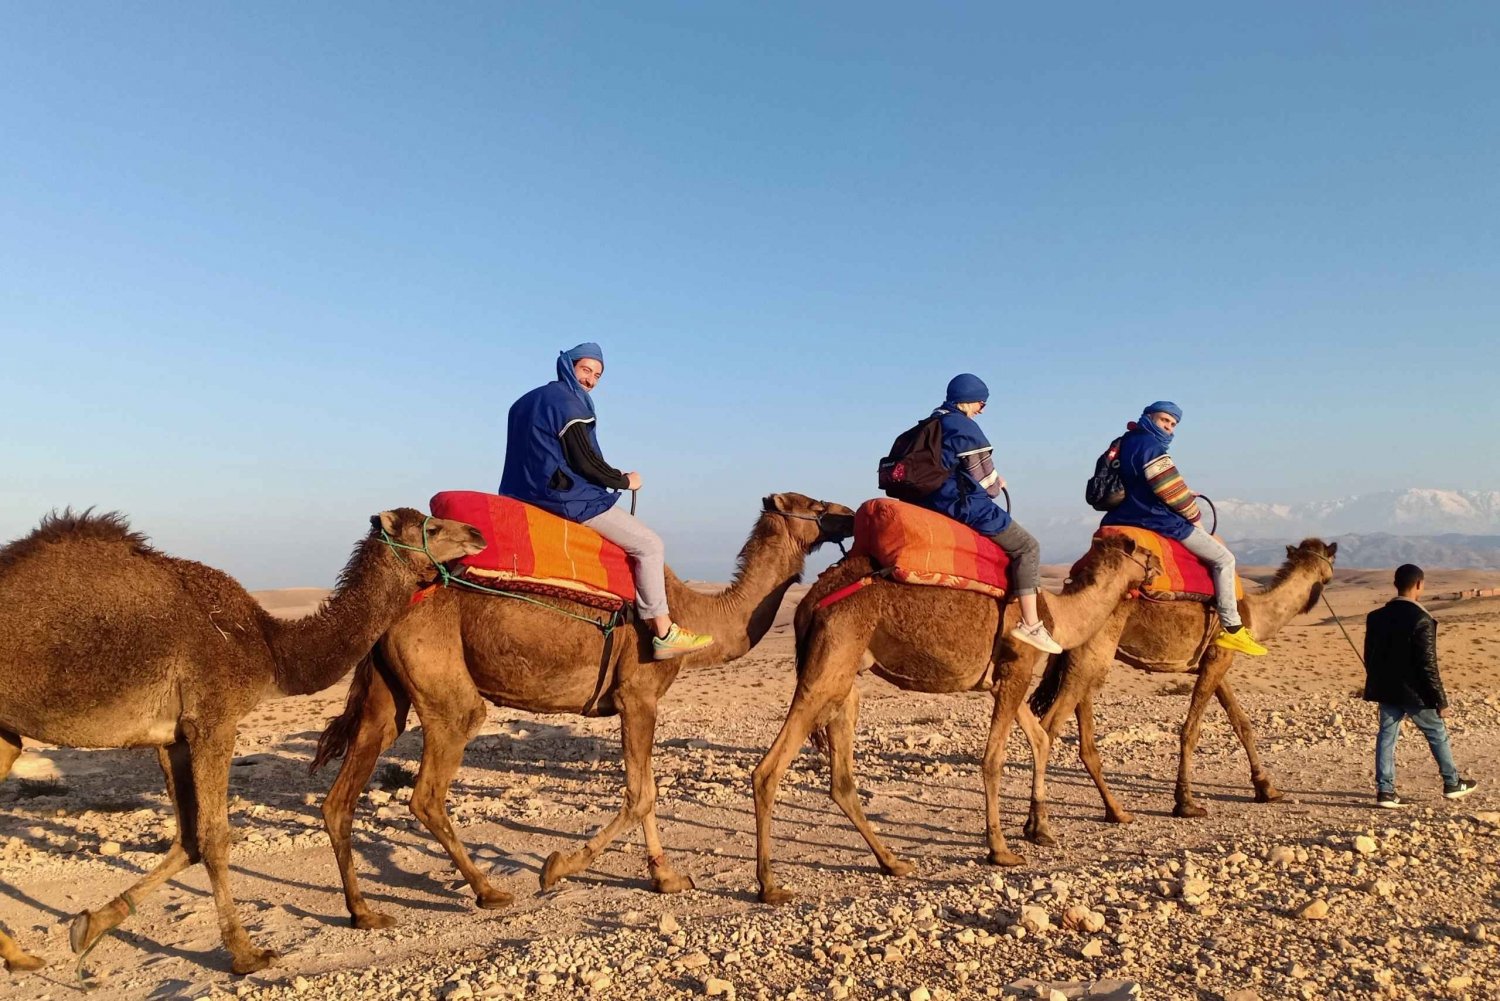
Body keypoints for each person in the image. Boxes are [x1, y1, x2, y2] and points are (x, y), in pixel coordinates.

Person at [499, 343, 713, 660]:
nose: (591, 381)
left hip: (521, 494)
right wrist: (624, 481)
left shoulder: (524, 402)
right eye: (586, 370)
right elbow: (585, 462)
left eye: (597, 375)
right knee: (649, 545)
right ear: (568, 366)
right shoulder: (568, 403)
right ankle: (664, 631)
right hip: (564, 499)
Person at [1100, 401, 1267, 656]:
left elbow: (1142, 482)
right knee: (1224, 558)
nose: (1168, 427)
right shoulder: (1152, 447)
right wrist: (1195, 519)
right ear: (1149, 417)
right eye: (1164, 420)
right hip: (1154, 518)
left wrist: (1180, 491)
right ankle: (1233, 629)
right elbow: (1171, 492)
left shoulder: (1125, 441)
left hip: (1123, 515)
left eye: (1172, 424)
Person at [920, 374, 1061, 654]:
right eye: (981, 403)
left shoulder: (930, 423)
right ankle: (1031, 624)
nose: (982, 410)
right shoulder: (964, 428)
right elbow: (987, 485)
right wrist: (998, 483)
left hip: (932, 504)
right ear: (968, 401)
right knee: (1027, 547)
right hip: (963, 507)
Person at [1363, 563, 1477, 808]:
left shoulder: (1376, 617)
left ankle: (1385, 791)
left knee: (1386, 737)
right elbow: (1428, 665)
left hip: (1387, 690)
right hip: (1417, 693)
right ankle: (1452, 782)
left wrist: (1378, 682)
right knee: (1437, 734)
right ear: (1419, 585)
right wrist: (1440, 701)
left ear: (1396, 584)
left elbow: (1369, 656)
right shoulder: (1422, 619)